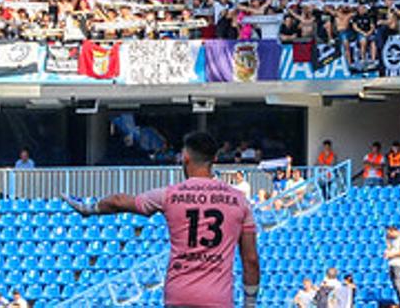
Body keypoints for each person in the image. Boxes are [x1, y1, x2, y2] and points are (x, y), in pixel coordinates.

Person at [66, 131, 260, 308]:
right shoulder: (239, 200)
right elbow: (250, 259)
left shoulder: (169, 195)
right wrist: (249, 304)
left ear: (185, 158)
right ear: (215, 158)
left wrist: (88, 209)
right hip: (217, 299)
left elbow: (118, 201)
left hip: (179, 296)